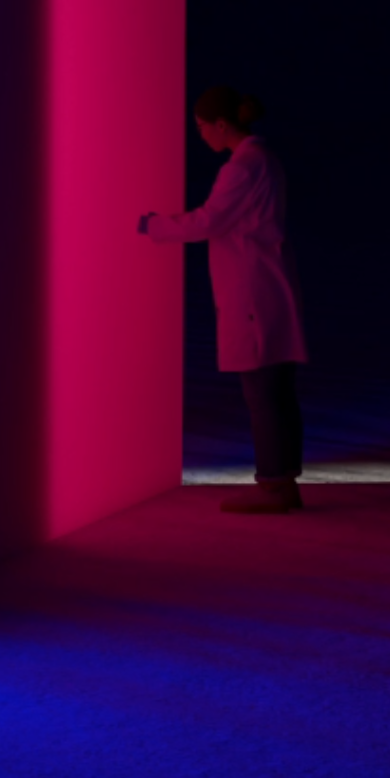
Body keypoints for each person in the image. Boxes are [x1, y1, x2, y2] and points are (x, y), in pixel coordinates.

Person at [139, 86, 309, 514]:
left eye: (201, 127)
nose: (200, 135)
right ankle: (285, 482)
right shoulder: (265, 160)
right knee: (278, 389)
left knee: (262, 392)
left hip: (253, 289)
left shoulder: (242, 168)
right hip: (269, 282)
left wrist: (153, 225)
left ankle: (273, 486)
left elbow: (208, 221)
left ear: (220, 124)